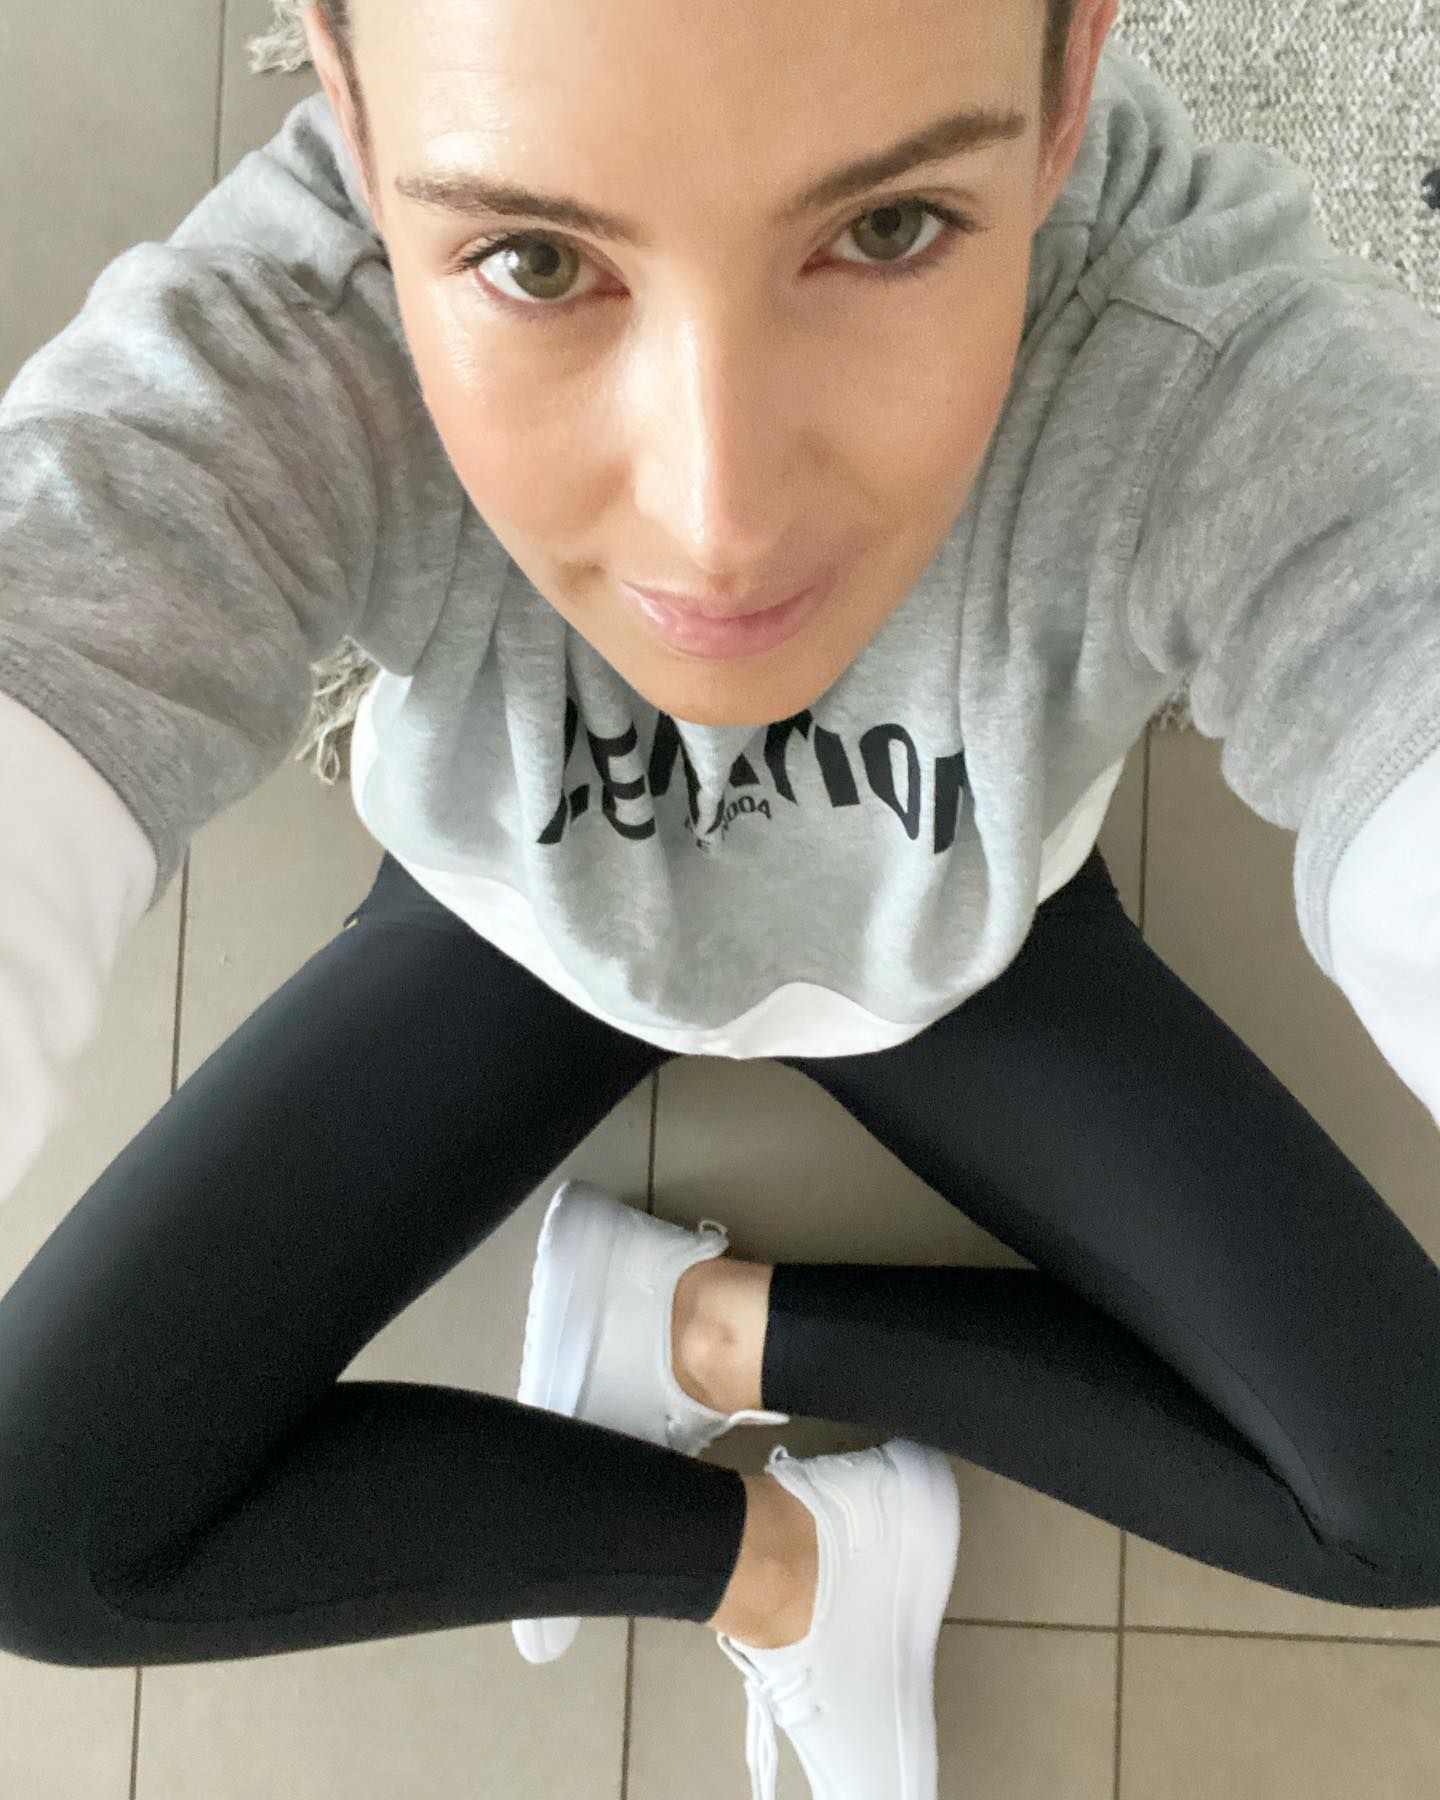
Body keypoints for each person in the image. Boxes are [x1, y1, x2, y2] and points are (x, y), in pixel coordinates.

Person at [1, 0, 1439, 1793]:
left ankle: (696, 1331)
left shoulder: (1187, 347)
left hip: (944, 930)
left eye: (889, 227)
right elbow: (78, 568)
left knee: (1409, 1495)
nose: (721, 525)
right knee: (41, 1527)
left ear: (1072, 79)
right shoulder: (305, 335)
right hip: (531, 913)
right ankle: (788, 1569)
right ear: (353, 112)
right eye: (536, 259)